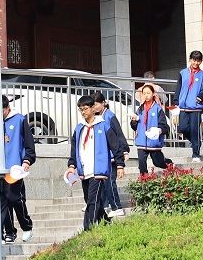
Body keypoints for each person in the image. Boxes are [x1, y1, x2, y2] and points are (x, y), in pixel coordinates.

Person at [66, 95, 128, 230]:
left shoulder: (104, 125)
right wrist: (71, 166)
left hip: (98, 170)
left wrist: (120, 165)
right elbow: (74, 149)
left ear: (93, 108)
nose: (83, 112)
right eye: (81, 109)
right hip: (84, 171)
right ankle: (106, 222)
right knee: (90, 200)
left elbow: (115, 146)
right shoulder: (79, 128)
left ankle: (88, 229)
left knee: (92, 201)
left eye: (86, 109)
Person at [0, 95, 36, 243]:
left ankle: (26, 226)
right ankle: (10, 232)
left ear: (7, 108)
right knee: (3, 201)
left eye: (2, 110)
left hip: (15, 169)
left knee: (15, 198)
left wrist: (27, 160)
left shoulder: (20, 120)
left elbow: (29, 145)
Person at [91, 91, 128, 218]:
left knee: (110, 182)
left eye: (96, 104)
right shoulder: (97, 117)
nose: (94, 107)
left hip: (113, 155)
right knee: (104, 182)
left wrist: (124, 151)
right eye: (93, 105)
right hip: (104, 156)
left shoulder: (109, 116)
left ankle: (117, 207)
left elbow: (118, 134)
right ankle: (105, 205)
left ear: (103, 103)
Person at [176, 51, 203, 163]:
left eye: (198, 60)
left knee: (195, 130)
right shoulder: (183, 73)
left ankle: (196, 153)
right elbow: (178, 88)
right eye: (194, 60)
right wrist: (176, 101)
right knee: (182, 128)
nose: (196, 63)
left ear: (201, 61)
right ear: (190, 59)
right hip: (183, 106)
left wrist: (201, 96)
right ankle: (196, 142)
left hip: (196, 107)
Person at [130, 83, 171, 175]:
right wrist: (134, 121)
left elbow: (164, 126)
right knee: (141, 163)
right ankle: (144, 179)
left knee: (158, 162)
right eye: (144, 93)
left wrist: (158, 130)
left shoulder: (158, 109)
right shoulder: (140, 109)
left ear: (153, 94)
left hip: (154, 142)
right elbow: (134, 127)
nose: (146, 95)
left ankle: (169, 164)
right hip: (141, 141)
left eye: (148, 93)